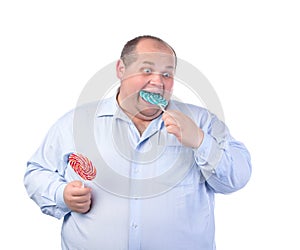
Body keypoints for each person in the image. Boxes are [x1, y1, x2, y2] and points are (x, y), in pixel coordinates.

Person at [24, 35, 251, 250]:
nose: (158, 81)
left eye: (167, 74)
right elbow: (36, 172)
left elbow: (237, 178)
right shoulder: (75, 123)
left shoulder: (203, 121)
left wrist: (201, 142)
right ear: (121, 70)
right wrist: (60, 194)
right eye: (147, 70)